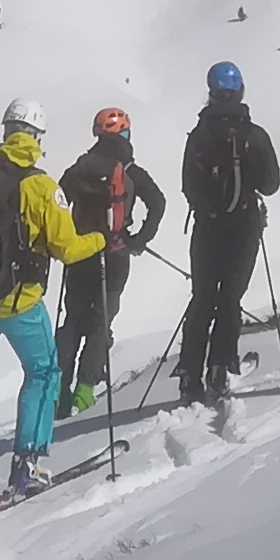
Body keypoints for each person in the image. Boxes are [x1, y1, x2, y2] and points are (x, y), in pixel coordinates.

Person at [0, 96, 105, 520]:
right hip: (21, 303)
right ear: (38, 137)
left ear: (7, 130)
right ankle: (26, 467)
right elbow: (66, 248)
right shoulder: (41, 186)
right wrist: (102, 239)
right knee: (44, 372)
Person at [174, 63, 280, 407]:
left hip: (207, 227)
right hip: (244, 225)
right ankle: (220, 368)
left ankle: (189, 374)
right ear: (241, 91)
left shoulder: (199, 135)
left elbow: (188, 185)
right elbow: (271, 184)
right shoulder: (254, 135)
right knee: (231, 297)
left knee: (203, 296)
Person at [55, 105, 165, 410]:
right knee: (102, 320)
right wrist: (139, 240)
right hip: (115, 255)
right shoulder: (129, 170)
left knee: (73, 320)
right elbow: (158, 203)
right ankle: (85, 390)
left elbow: (58, 205)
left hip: (79, 254)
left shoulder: (79, 168)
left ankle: (58, 390)